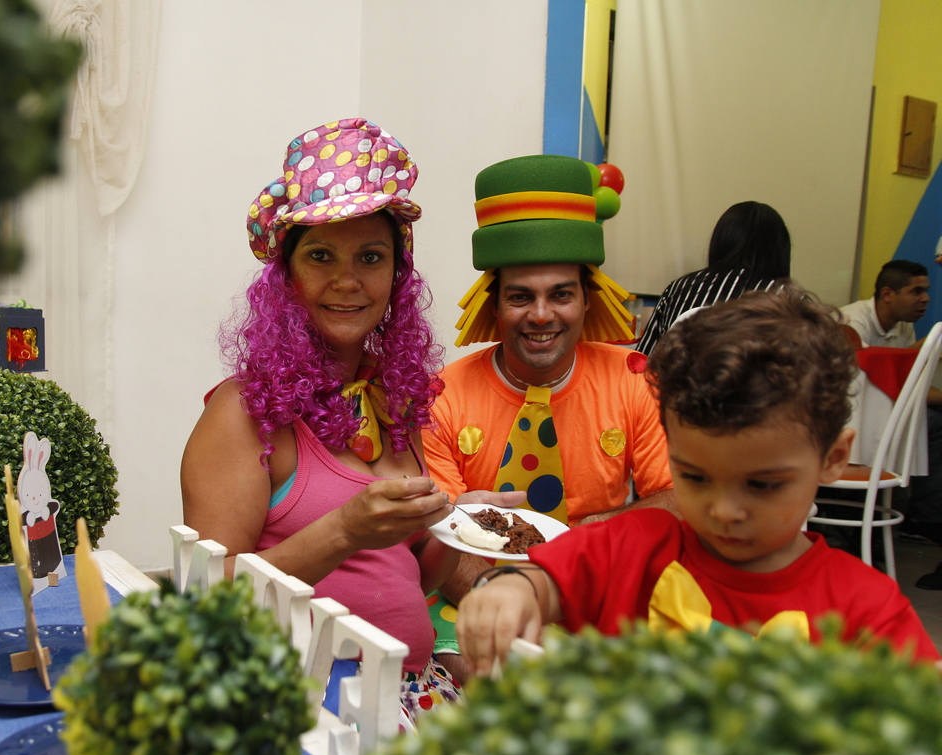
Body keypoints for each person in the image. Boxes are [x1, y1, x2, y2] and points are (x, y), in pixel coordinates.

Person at [181, 118, 517, 722]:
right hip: (307, 710)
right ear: (286, 276)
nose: (347, 281)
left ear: (396, 275)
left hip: (414, 692)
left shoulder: (394, 400)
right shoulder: (244, 412)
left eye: (371, 257)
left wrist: (455, 525)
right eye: (320, 256)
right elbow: (206, 600)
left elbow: (409, 578)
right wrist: (343, 530)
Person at [456, 288, 940, 674]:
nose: (724, 510)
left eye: (763, 485)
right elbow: (544, 581)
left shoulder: (867, 611)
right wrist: (510, 591)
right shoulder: (633, 546)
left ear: (832, 459)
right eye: (694, 477)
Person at [421, 154, 675, 673]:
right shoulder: (440, 396)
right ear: (493, 305)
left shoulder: (635, 380)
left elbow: (678, 500)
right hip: (475, 596)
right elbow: (436, 530)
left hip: (597, 585)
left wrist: (596, 534)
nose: (541, 315)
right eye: (520, 297)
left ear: (587, 300)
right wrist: (508, 605)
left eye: (561, 294)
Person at [839, 261, 942, 585]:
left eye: (926, 290)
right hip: (845, 418)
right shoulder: (852, 323)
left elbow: (903, 386)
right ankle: (923, 518)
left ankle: (923, 517)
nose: (926, 299)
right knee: (933, 423)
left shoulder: (904, 328)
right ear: (887, 294)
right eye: (917, 291)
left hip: (877, 414)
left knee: (933, 420)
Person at [635, 200, 790, 355]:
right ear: (780, 250)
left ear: (721, 241)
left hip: (680, 371)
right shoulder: (790, 301)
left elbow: (641, 361)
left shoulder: (679, 289)